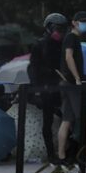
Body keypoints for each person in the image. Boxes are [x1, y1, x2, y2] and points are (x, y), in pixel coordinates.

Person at [28, 13, 68, 162]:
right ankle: (51, 154)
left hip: (62, 86)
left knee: (68, 118)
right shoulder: (39, 45)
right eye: (57, 28)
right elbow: (33, 68)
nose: (60, 32)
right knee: (48, 121)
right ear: (49, 28)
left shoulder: (64, 44)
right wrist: (37, 89)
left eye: (62, 29)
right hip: (46, 87)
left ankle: (66, 151)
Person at [57, 11, 86, 164]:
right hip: (73, 83)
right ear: (74, 22)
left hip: (65, 82)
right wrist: (78, 77)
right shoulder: (72, 38)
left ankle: (61, 156)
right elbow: (68, 56)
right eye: (83, 21)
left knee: (67, 120)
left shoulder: (72, 38)